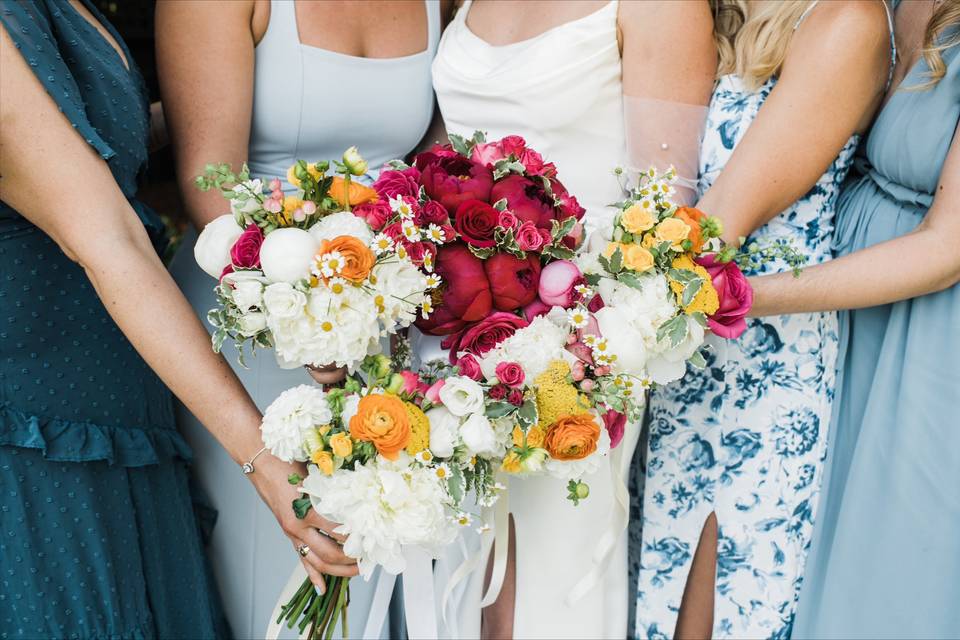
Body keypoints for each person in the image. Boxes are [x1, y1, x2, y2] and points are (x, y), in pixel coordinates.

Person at [0, 1, 357, 638]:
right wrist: (264, 462)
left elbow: (89, 127)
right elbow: (107, 238)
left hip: (124, 402)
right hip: (39, 435)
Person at [425, 1, 717, 637]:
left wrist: (579, 347)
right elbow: (447, 147)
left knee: (548, 571)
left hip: (578, 341)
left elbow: (663, 212)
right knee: (459, 567)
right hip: (455, 324)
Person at [156, 0, 447, 636]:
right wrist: (317, 319)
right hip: (262, 315)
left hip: (393, 319)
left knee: (393, 568)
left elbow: (429, 157)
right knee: (284, 572)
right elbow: (213, 192)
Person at [633, 1, 896, 637]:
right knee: (652, 599)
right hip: (677, 355)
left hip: (764, 365)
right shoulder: (716, 17)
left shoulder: (845, 22)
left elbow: (717, 222)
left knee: (722, 605)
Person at [746, 2, 959, 636]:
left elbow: (947, 250)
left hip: (927, 338)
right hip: (833, 321)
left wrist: (744, 296)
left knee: (889, 575)